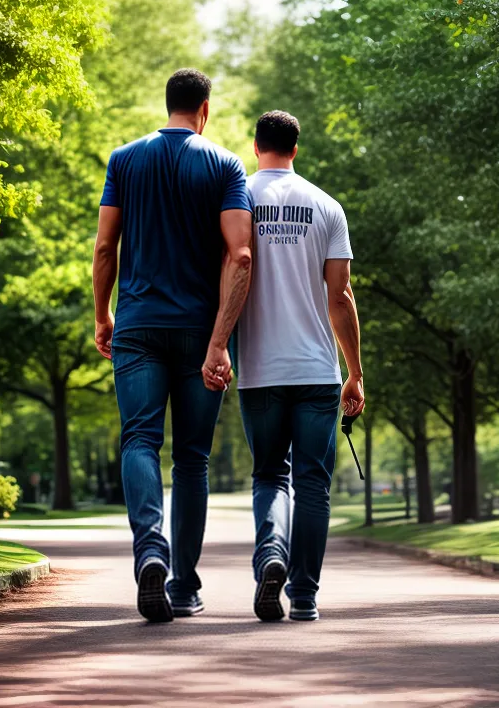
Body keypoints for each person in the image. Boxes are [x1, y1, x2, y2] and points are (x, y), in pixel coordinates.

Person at [92, 68, 253, 623]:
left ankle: (149, 553)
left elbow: (105, 246)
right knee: (191, 460)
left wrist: (102, 314)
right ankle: (183, 585)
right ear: (204, 109)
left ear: (169, 106)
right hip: (197, 332)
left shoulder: (124, 160)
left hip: (136, 325)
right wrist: (220, 343)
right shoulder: (226, 164)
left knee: (139, 439)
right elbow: (241, 256)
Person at [209, 109, 364, 623]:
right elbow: (340, 296)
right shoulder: (327, 206)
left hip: (260, 372)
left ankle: (271, 554)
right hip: (318, 372)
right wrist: (355, 372)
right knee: (313, 484)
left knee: (270, 476)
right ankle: (303, 596)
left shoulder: (239, 199)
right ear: (297, 149)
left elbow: (229, 270)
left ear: (256, 146)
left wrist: (218, 343)